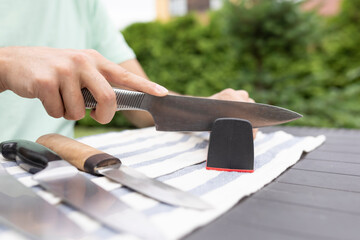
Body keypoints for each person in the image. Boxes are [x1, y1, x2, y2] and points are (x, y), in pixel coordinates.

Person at [0, 0, 256, 142]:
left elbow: (140, 103)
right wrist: (5, 64)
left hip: (49, 167)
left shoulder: (82, 4)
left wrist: (203, 109)